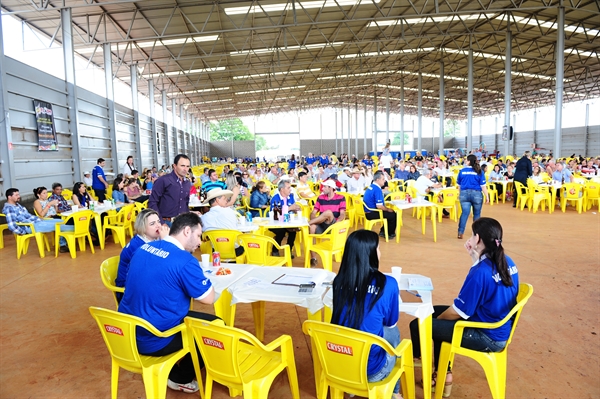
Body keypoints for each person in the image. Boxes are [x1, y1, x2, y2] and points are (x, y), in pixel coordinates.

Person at [410, 217, 519, 398]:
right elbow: (488, 287)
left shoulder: (480, 272)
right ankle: (444, 374)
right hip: (497, 324)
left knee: (419, 324)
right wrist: (475, 260)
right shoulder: (507, 261)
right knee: (433, 314)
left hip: (486, 335)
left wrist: (439, 321)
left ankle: (424, 365)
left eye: (472, 234)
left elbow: (458, 312)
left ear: (477, 239)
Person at [118, 212, 217, 393]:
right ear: (187, 231)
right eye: (198, 235)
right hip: (152, 339)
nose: (200, 242)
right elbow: (209, 299)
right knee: (215, 328)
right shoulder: (186, 260)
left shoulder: (144, 248)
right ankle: (179, 378)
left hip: (125, 333)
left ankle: (173, 368)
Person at [331, 230, 402, 399]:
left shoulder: (339, 281)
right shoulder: (388, 284)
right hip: (373, 371)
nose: (380, 252)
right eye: (378, 248)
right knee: (394, 333)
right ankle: (395, 393)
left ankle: (350, 386)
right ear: (370, 254)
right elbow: (391, 322)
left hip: (340, 364)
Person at [115, 209, 169, 296]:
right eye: (152, 224)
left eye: (158, 221)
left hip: (142, 282)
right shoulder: (137, 246)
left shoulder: (153, 239)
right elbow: (157, 265)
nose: (158, 226)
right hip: (128, 290)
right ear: (142, 227)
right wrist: (165, 242)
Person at [3, 188, 73, 252]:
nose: (19, 196)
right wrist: (23, 231)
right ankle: (78, 230)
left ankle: (63, 244)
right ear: (9, 197)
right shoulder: (9, 208)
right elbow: (11, 225)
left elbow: (28, 216)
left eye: (18, 194)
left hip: (38, 221)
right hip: (31, 226)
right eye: (16, 195)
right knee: (58, 225)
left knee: (61, 221)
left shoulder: (17, 205)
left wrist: (39, 219)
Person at [308, 180, 346, 266]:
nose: (322, 188)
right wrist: (314, 221)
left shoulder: (341, 198)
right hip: (322, 225)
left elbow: (342, 214)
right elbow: (313, 213)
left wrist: (338, 223)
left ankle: (307, 223)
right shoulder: (320, 198)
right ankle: (313, 258)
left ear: (331, 188)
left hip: (332, 225)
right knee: (312, 227)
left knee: (328, 212)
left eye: (325, 187)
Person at [200, 188, 245, 257]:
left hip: (214, 250)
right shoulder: (230, 212)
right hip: (234, 250)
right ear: (217, 200)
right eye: (224, 198)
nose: (227, 200)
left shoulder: (203, 218)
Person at [149, 154, 192, 224]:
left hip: (182, 222)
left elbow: (185, 203)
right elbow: (152, 202)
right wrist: (161, 223)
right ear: (174, 166)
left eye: (187, 166)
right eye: (182, 166)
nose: (185, 169)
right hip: (167, 222)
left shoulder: (187, 183)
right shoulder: (163, 180)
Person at [457, 154, 489, 239]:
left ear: (468, 161)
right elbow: (483, 186)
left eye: (466, 160)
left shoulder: (462, 171)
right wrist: (487, 196)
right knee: (477, 214)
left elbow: (459, 186)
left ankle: (460, 232)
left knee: (464, 213)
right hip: (477, 194)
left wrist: (460, 194)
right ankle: (476, 234)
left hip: (464, 194)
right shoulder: (479, 171)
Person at [270, 180, 301, 256]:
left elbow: (293, 209)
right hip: (275, 223)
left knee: (293, 230)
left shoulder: (291, 197)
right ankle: (275, 250)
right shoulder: (275, 198)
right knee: (281, 231)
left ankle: (289, 250)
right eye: (288, 188)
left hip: (288, 222)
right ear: (282, 189)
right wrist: (290, 208)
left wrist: (296, 209)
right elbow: (276, 213)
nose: (290, 189)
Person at [363, 171, 396, 239]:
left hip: (368, 211)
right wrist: (388, 209)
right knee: (392, 214)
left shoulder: (371, 186)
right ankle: (390, 233)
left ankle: (383, 231)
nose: (384, 181)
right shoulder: (377, 189)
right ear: (377, 180)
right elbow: (379, 206)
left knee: (388, 213)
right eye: (383, 179)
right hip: (372, 212)